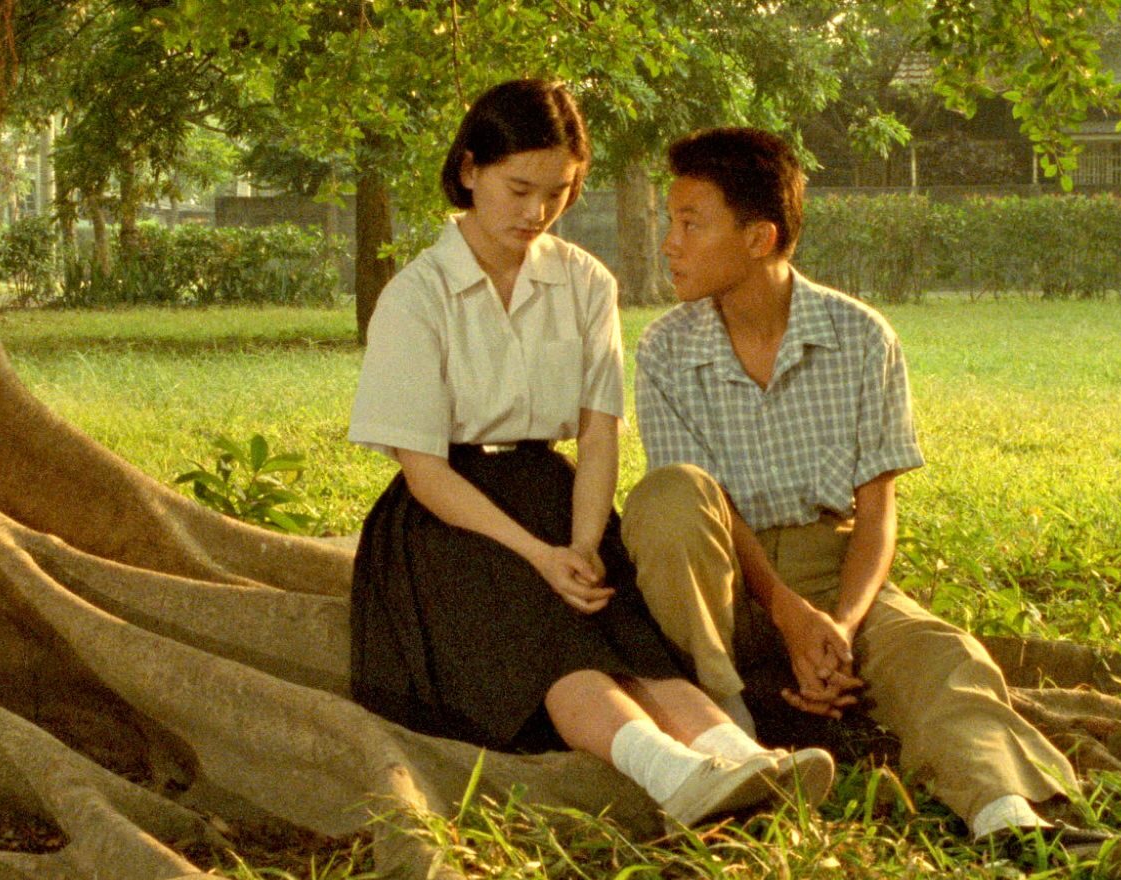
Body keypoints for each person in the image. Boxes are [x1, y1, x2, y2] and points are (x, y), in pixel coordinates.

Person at [621, 126, 1121, 876]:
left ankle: (1007, 817)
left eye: (689, 222)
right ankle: (737, 744)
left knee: (943, 653)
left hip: (831, 570)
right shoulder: (663, 349)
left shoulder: (859, 337)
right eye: (668, 222)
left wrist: (839, 628)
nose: (669, 243)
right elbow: (699, 508)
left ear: (759, 237)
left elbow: (877, 512)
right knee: (671, 496)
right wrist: (785, 612)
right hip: (712, 582)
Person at [346, 82, 834, 828]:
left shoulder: (584, 282)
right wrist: (539, 556)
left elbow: (598, 431)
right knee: (552, 635)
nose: (536, 213)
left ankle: (742, 758)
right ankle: (671, 773)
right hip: (447, 517)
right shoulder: (418, 295)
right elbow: (424, 469)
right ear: (470, 169)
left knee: (627, 630)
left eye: (558, 192)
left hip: (553, 490)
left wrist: (578, 541)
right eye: (518, 188)